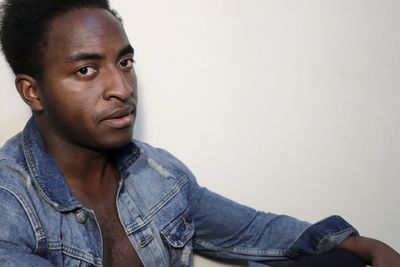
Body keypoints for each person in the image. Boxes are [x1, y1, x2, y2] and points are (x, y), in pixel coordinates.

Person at [0, 0, 398, 266]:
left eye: (124, 62)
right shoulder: (9, 204)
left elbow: (251, 228)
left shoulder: (156, 173)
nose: (122, 88)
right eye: (86, 70)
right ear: (32, 91)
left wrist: (354, 244)